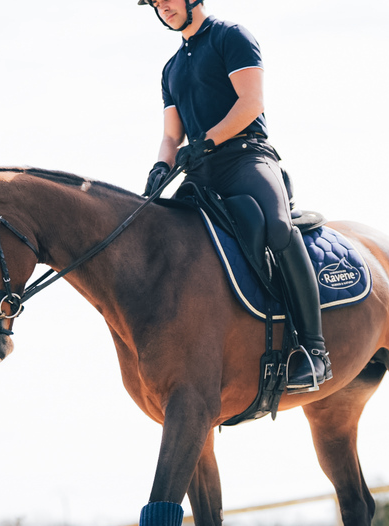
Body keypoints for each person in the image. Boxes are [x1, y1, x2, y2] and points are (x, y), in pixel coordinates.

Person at [140, 0, 331, 394]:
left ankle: (314, 352)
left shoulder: (232, 37)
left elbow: (251, 104)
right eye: (154, 2)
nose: (162, 6)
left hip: (246, 158)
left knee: (278, 228)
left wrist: (208, 140)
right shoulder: (171, 68)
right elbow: (172, 136)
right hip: (199, 170)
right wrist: (162, 165)